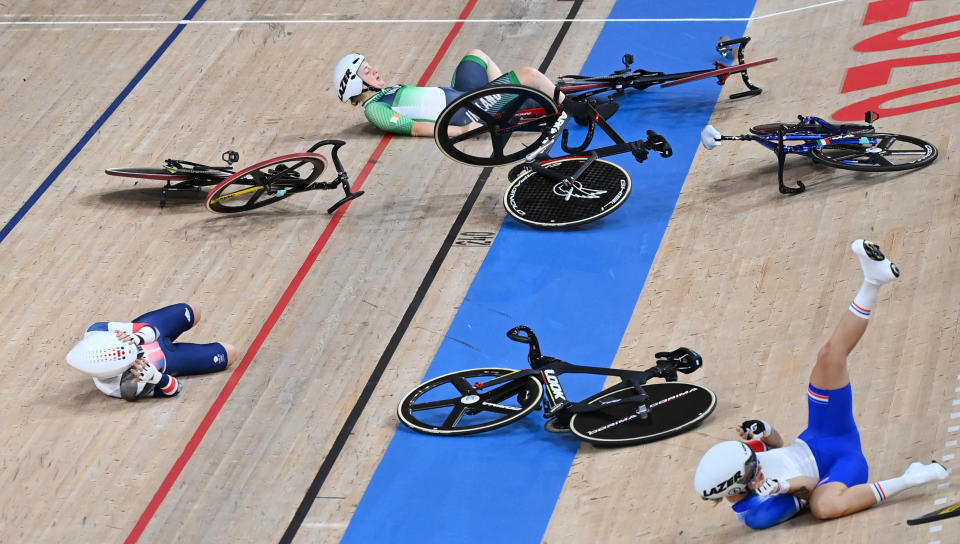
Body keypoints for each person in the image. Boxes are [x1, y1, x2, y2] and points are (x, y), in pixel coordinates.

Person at [694, 240, 949, 529]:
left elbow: (779, 444)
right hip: (841, 466)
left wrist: (764, 429)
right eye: (753, 470)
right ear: (735, 488)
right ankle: (911, 478)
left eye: (754, 460)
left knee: (829, 357)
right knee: (823, 506)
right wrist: (781, 487)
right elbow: (812, 485)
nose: (758, 466)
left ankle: (873, 280)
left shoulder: (745, 460)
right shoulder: (758, 514)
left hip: (822, 434)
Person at [333, 49, 615, 137]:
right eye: (368, 72)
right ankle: (578, 111)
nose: (376, 71)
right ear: (358, 85)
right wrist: (465, 129)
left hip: (463, 94)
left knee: (475, 55)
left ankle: (510, 97)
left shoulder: (387, 91)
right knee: (528, 73)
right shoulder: (375, 110)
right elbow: (417, 128)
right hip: (467, 111)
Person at [66, 303, 237, 401]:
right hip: (170, 360)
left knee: (193, 311)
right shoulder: (123, 387)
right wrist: (157, 378)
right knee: (230, 354)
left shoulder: (97, 331)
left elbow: (150, 330)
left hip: (154, 332)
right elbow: (176, 389)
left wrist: (137, 338)